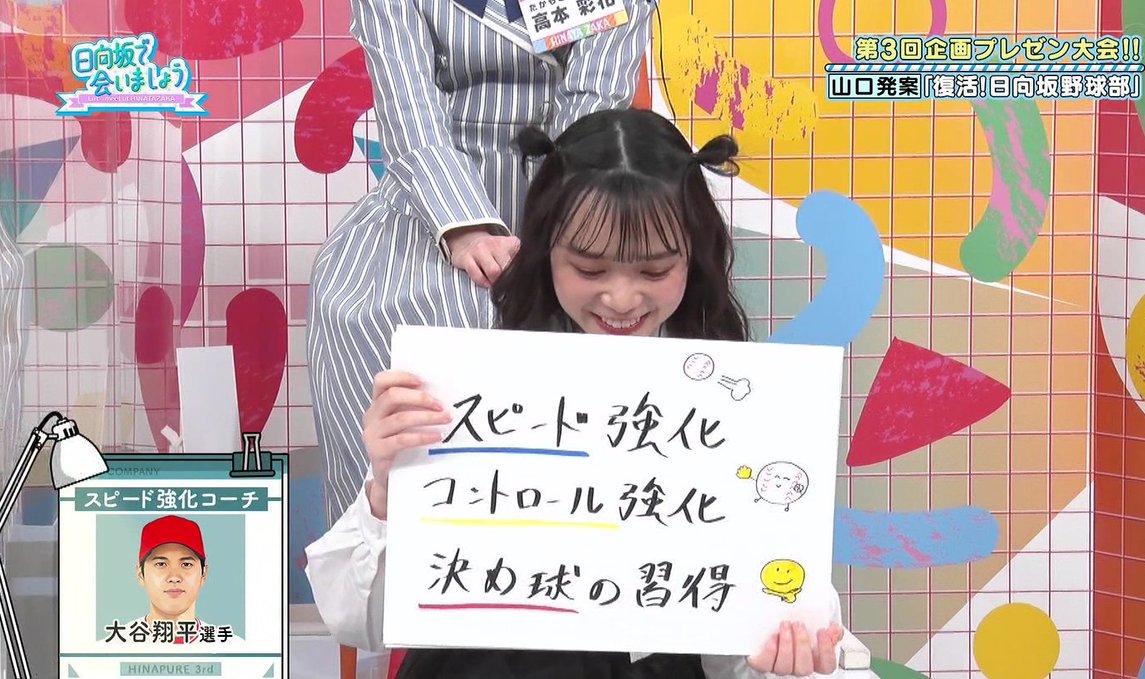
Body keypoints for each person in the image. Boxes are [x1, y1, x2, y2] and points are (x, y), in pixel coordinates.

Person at [305, 108, 847, 679]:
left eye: (655, 271)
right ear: (546, 252)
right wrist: (388, 489)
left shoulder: (740, 404)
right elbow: (357, 621)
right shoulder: (468, 388)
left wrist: (775, 654)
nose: (621, 298)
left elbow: (750, 620)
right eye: (589, 270)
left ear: (695, 257)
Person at [306, 0, 659, 527]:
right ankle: (391, 569)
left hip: (568, 207)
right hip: (424, 212)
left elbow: (593, 108)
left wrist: (557, 232)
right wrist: (463, 225)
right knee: (396, 385)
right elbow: (409, 109)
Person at [120, 515, 242, 644]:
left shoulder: (233, 648)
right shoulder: (116, 647)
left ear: (204, 574)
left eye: (186, 564)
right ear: (140, 574)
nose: (174, 577)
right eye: (161, 564)